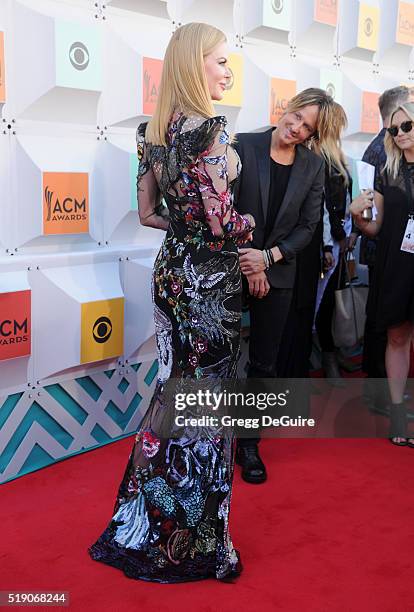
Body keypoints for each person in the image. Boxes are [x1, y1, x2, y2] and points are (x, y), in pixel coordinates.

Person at [88, 22, 255, 582]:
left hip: (169, 272)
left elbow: (147, 213)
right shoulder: (210, 131)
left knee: (171, 392)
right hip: (208, 282)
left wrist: (185, 228)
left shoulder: (151, 133)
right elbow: (220, 222)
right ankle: (204, 543)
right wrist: (253, 226)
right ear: (194, 65)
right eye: (221, 60)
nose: (228, 70)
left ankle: (140, 521)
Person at [233, 88, 334, 483]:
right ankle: (206, 441)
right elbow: (225, 207)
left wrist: (269, 258)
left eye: (306, 127)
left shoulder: (312, 166)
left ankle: (249, 444)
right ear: (286, 108)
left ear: (312, 136)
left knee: (264, 362)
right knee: (218, 359)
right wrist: (251, 260)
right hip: (233, 265)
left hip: (279, 273)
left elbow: (308, 227)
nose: (295, 128)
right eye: (296, 116)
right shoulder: (244, 144)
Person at [350, 102, 414, 448]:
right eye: (394, 129)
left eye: (407, 126)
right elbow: (375, 227)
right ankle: (398, 413)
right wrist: (360, 221)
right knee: (398, 337)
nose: (401, 133)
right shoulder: (387, 172)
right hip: (398, 264)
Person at [314, 102, 358, 384]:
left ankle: (334, 353)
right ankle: (327, 359)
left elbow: (343, 204)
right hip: (325, 247)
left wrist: (352, 234)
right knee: (324, 305)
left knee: (335, 302)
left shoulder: (339, 157)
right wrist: (328, 246)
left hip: (341, 244)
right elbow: (323, 209)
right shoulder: (320, 158)